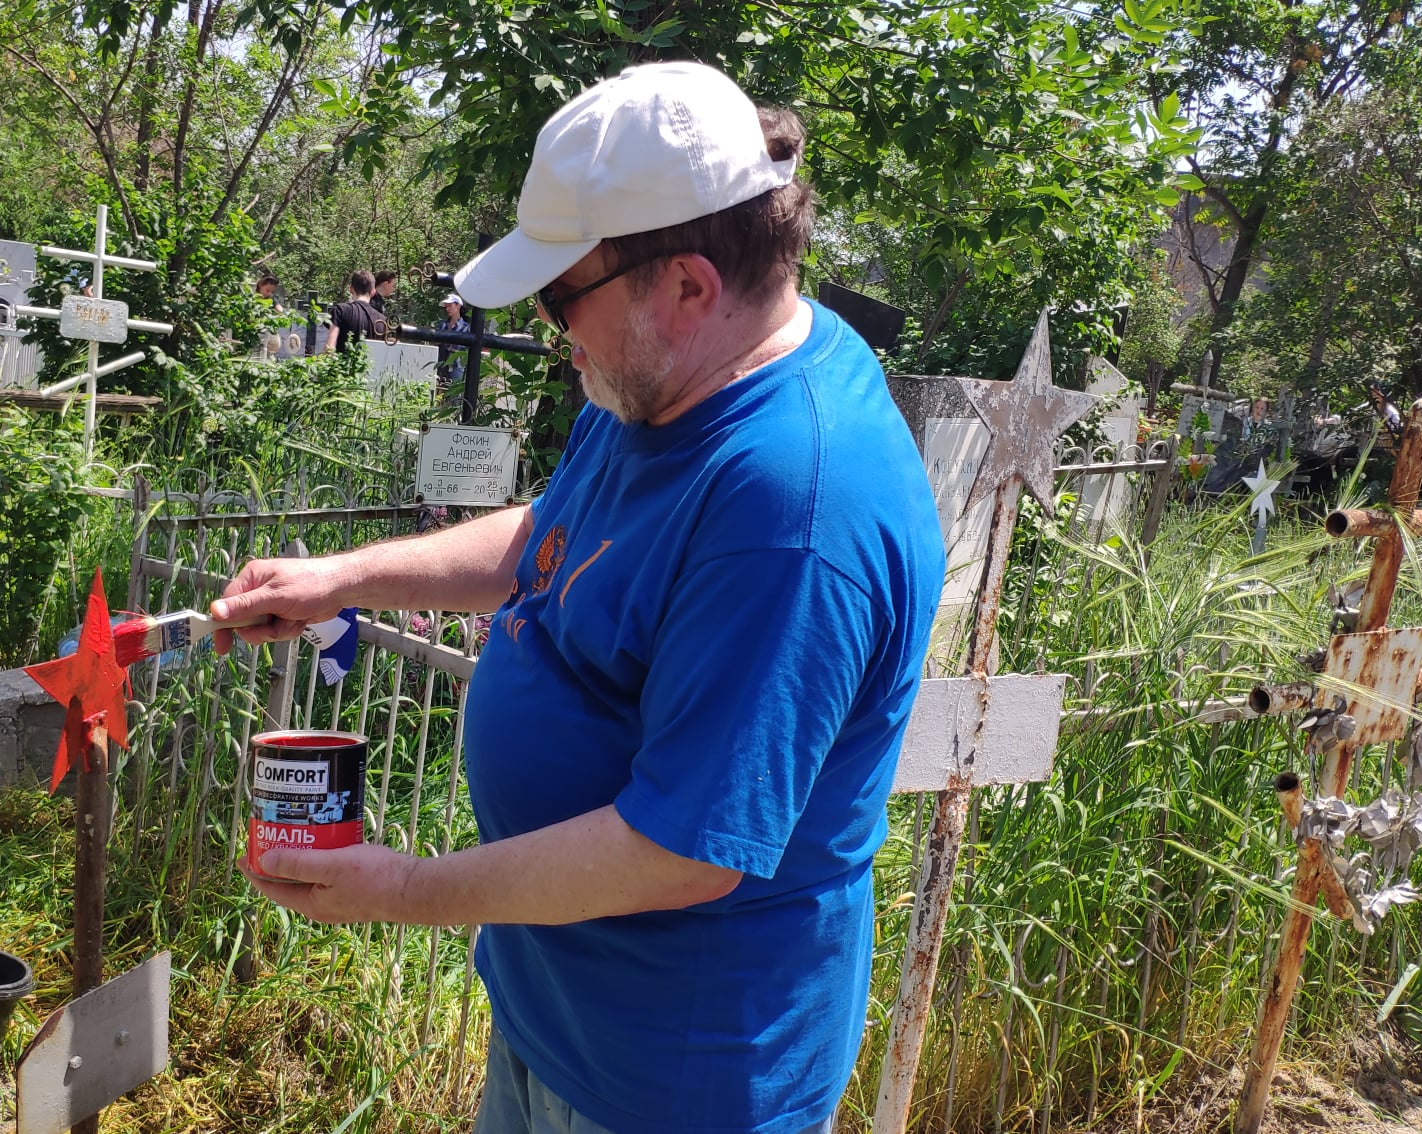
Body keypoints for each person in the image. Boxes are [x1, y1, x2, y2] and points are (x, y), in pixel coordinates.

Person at [211, 61, 943, 1134]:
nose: (559, 330)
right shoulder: (660, 376)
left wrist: (408, 889)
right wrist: (348, 575)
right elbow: (559, 538)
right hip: (557, 1017)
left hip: (675, 1084)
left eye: (565, 296)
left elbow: (683, 850)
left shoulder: (795, 510)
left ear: (689, 283)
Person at [326, 270, 380, 354]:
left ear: (351, 289)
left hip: (342, 366)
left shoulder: (340, 311)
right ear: (373, 292)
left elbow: (329, 349)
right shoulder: (382, 321)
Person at [434, 293, 472, 403]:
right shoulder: (442, 325)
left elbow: (457, 347)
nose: (447, 309)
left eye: (450, 306)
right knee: (439, 396)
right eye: (446, 306)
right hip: (442, 365)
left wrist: (444, 341)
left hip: (457, 366)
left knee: (455, 398)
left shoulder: (466, 327)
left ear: (458, 306)